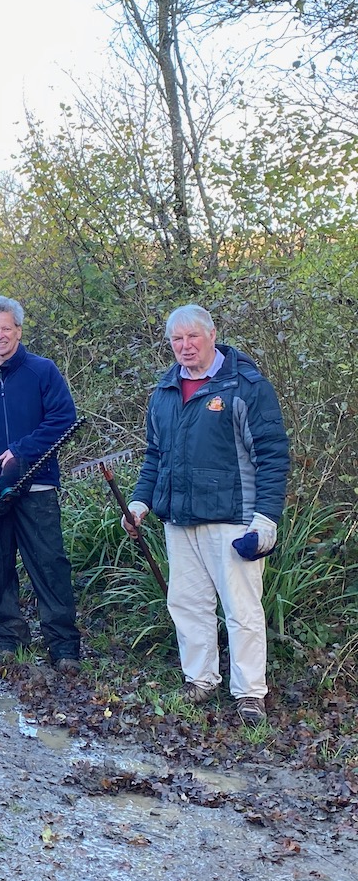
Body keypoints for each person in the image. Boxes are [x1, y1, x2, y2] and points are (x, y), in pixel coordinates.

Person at [124, 304, 289, 726]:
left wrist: (266, 519)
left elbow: (272, 456)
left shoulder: (246, 386)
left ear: (212, 334)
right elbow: (155, 457)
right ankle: (201, 679)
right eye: (176, 340)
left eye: (192, 337)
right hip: (179, 518)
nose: (184, 347)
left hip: (233, 519)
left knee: (242, 609)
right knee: (187, 603)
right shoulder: (164, 392)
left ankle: (250, 693)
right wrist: (141, 503)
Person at [0, 296, 81, 672]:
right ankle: (9, 639)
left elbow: (64, 418)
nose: (0, 335)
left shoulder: (42, 372)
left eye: (6, 328)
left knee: (49, 565)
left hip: (37, 486)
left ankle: (63, 647)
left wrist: (21, 451)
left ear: (19, 331)